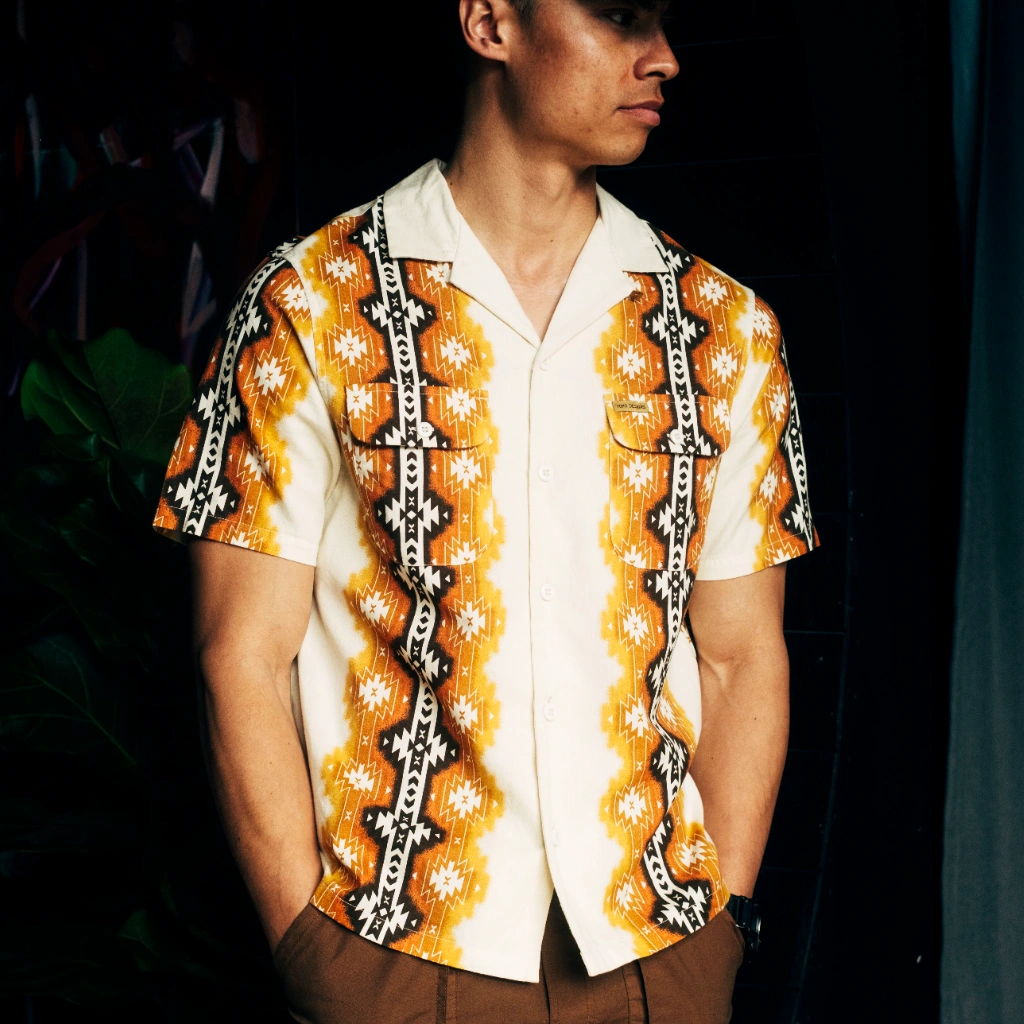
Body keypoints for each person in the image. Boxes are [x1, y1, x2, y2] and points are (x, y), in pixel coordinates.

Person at [154, 1, 817, 1021]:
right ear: (489, 21)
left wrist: (713, 936)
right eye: (620, 17)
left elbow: (741, 656)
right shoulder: (309, 306)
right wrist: (310, 948)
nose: (665, 57)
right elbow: (239, 651)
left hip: (655, 956)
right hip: (397, 952)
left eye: (667, 20)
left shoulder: (723, 330)